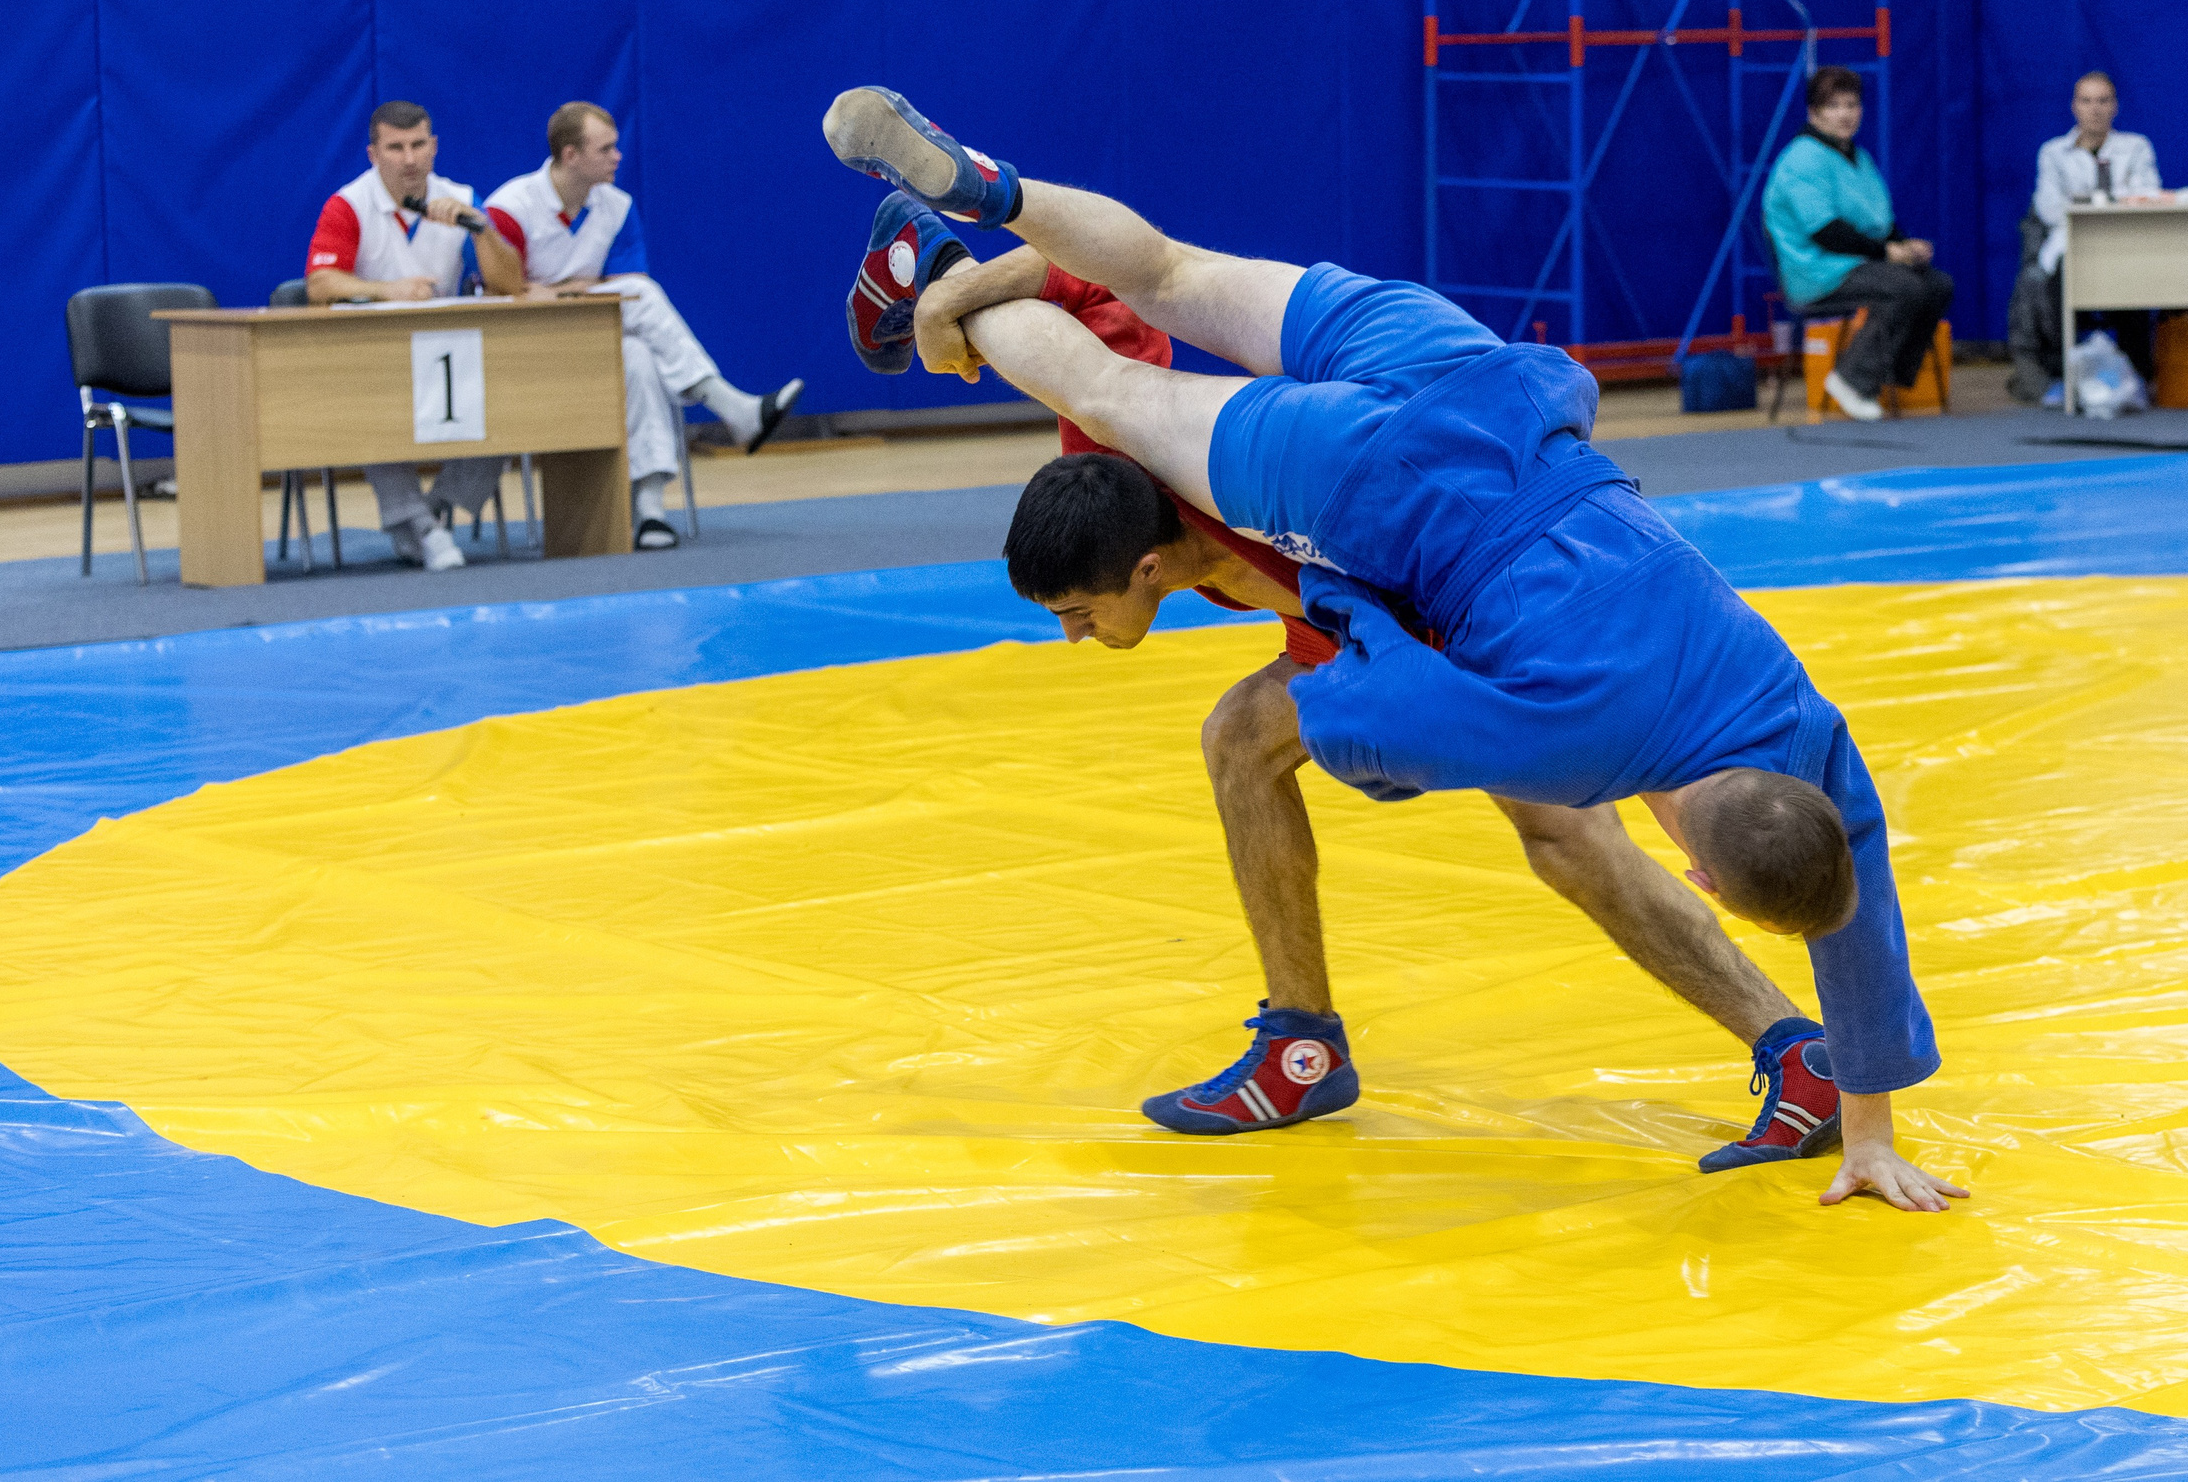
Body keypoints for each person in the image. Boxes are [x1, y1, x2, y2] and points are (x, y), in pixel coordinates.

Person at [828, 89, 1966, 1211]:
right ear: (1703, 875)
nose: (1075, 636)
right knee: (1116, 402)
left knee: (1166, 275)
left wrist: (968, 269)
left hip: (1478, 383)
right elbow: (1380, 719)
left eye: (1074, 614)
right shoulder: (1566, 731)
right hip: (1381, 497)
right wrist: (1345, 614)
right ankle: (1314, 1045)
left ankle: (989, 186)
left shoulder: (1790, 712)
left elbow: (1126, 282)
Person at [485, 102, 803, 549]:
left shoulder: (616, 207)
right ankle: (731, 406)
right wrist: (574, 288)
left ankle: (650, 509)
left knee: (638, 356)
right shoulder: (509, 208)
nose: (618, 156)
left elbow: (621, 283)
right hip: (527, 344)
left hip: (594, 333)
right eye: (606, 148)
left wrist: (558, 288)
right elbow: (501, 290)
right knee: (642, 295)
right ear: (571, 155)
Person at [304, 100, 518, 571]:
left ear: (434, 147)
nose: (409, 158)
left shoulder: (460, 198)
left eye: (418, 145)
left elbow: (510, 284)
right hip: (371, 358)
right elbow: (319, 284)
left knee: (509, 392)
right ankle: (417, 524)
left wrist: (480, 230)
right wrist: (387, 291)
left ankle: (436, 509)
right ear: (373, 153)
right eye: (395, 147)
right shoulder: (349, 205)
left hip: (448, 352)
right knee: (370, 401)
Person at [1761, 66, 1953, 424]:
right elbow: (1825, 232)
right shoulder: (1802, 158)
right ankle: (1852, 381)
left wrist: (1903, 245)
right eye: (1833, 106)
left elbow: (1880, 222)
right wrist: (1886, 252)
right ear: (1813, 112)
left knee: (1937, 283)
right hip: (1815, 270)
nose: (1845, 114)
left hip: (1856, 264)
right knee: (1904, 287)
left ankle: (1890, 376)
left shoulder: (1858, 158)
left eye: (1852, 104)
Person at [2008, 71, 2162, 404]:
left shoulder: (2136, 147)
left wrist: (2085, 203)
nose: (2095, 109)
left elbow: (2146, 196)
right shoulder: (2053, 153)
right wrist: (2110, 203)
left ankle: (2137, 371)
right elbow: (2050, 209)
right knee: (2052, 277)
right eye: (2087, 101)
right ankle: (2064, 374)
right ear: (2074, 107)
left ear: (2115, 107)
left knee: (2138, 275)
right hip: (2070, 246)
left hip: (2124, 246)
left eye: (2103, 101)